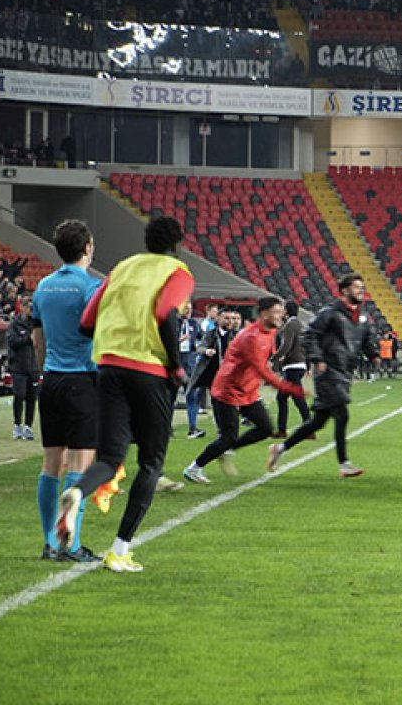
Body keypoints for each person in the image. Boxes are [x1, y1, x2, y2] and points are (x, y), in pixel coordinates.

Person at [55, 216, 196, 574]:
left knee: (109, 457)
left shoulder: (122, 268)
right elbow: (166, 312)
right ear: (177, 242)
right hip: (149, 370)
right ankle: (120, 549)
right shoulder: (178, 271)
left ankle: (76, 493)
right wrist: (177, 366)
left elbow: (87, 321)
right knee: (151, 463)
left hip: (109, 367)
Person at [31, 219, 104, 562]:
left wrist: (47, 368)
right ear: (87, 247)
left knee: (50, 464)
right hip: (82, 380)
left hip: (51, 381)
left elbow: (37, 337)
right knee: (81, 462)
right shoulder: (91, 287)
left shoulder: (43, 287)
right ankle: (71, 545)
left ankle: (49, 542)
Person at [266, 274, 379, 478]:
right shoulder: (330, 313)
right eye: (356, 288)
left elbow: (365, 339)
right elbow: (309, 334)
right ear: (344, 291)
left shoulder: (362, 317)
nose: (361, 291)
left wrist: (374, 355)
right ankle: (344, 463)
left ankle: (280, 449)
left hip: (344, 371)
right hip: (328, 372)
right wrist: (318, 359)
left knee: (318, 422)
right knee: (342, 414)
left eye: (362, 287)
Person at [183, 298, 303, 484]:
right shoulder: (250, 337)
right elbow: (259, 368)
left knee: (265, 428)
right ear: (264, 314)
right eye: (276, 312)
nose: (281, 315)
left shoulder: (270, 331)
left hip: (248, 392)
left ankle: (227, 450)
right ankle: (194, 468)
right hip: (228, 391)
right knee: (228, 436)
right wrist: (288, 387)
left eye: (281, 311)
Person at [272, 301, 311, 437]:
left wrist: (274, 358)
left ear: (286, 311)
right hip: (298, 365)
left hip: (292, 366)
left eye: (282, 310)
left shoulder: (289, 325)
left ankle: (309, 428)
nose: (281, 312)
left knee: (297, 398)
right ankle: (282, 430)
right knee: (282, 398)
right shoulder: (300, 324)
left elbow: (286, 345)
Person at [8, 294, 40, 440]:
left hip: (33, 366)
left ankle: (28, 426)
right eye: (30, 308)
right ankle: (17, 425)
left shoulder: (36, 323)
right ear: (23, 307)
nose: (32, 311)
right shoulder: (15, 324)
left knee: (31, 398)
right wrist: (27, 339)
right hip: (19, 367)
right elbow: (12, 341)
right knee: (19, 395)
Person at [179, 308, 206, 439]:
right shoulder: (172, 323)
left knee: (192, 396)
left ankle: (193, 428)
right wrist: (180, 339)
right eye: (185, 307)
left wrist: (201, 348)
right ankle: (166, 428)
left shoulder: (194, 324)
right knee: (169, 398)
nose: (188, 310)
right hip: (175, 364)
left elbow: (204, 339)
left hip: (190, 365)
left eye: (190, 308)